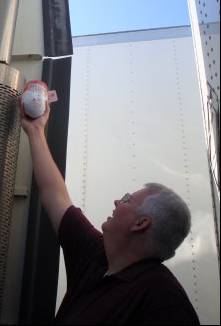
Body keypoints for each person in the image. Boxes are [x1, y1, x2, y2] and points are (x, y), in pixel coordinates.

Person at [19, 100, 200, 325]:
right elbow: (54, 194)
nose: (116, 201)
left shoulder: (164, 302)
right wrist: (35, 129)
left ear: (140, 223)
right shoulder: (97, 255)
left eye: (126, 200)